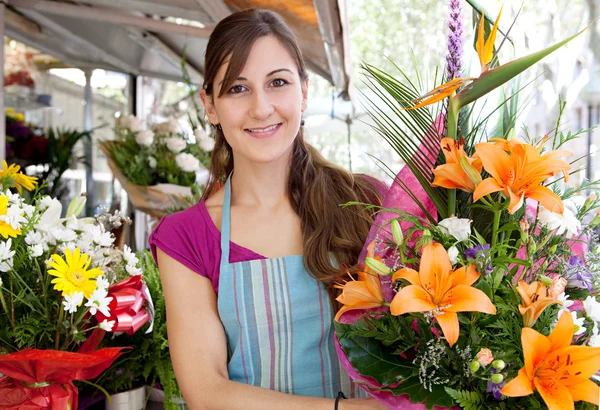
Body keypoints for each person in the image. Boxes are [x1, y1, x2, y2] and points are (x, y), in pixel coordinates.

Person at [150, 9, 388, 410]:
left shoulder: (366, 203)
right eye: (238, 89)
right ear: (209, 105)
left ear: (305, 92)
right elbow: (207, 391)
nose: (261, 108)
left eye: (278, 82)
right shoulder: (186, 236)